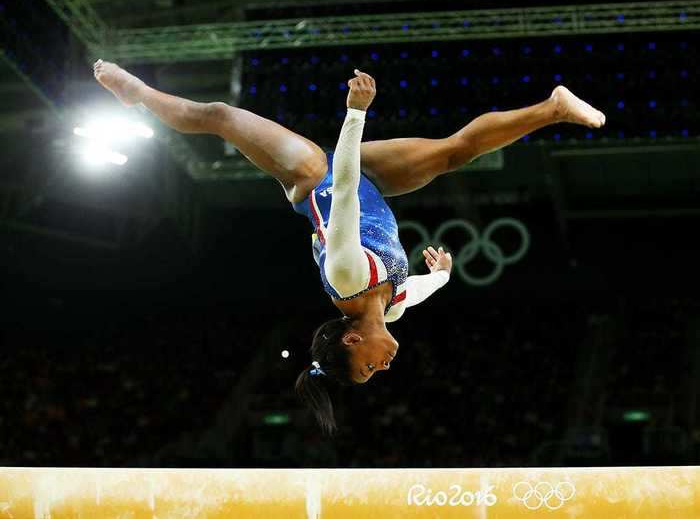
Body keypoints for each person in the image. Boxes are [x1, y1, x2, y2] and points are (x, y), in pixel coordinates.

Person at [93, 60, 605, 434]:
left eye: (367, 368)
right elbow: (419, 290)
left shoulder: (346, 278)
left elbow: (340, 190)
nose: (383, 368)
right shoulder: (394, 308)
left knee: (221, 115)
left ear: (351, 342)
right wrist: (444, 275)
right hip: (369, 182)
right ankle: (553, 107)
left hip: (316, 176)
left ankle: (138, 92)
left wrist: (355, 114)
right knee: (453, 152)